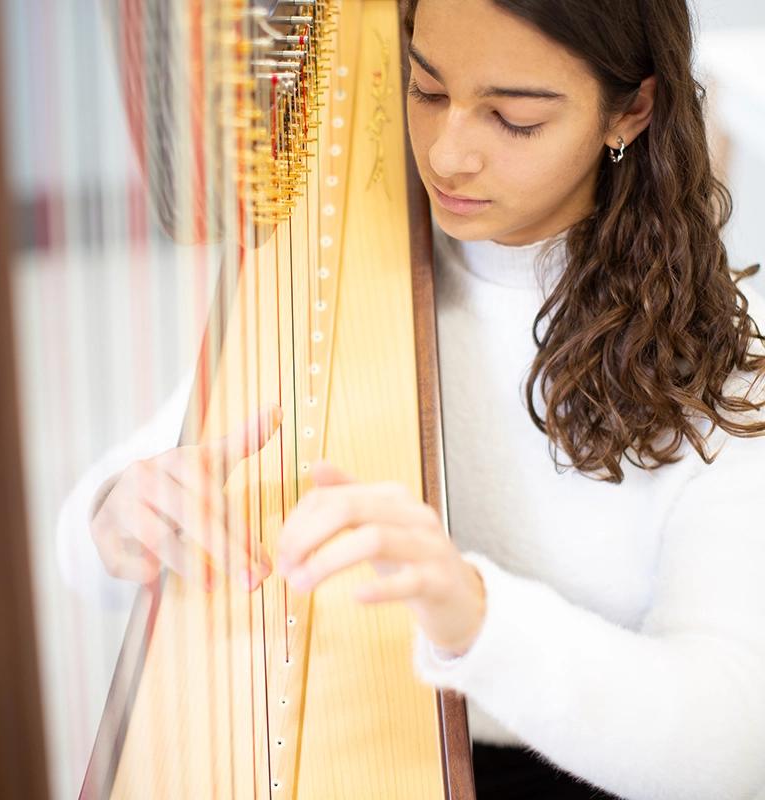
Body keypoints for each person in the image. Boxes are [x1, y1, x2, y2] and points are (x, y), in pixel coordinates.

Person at [68, 0, 765, 797]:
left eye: (512, 119)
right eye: (426, 89)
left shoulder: (723, 384)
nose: (446, 152)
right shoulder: (328, 272)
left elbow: (737, 741)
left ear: (631, 111)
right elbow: (104, 528)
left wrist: (477, 616)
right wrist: (119, 516)